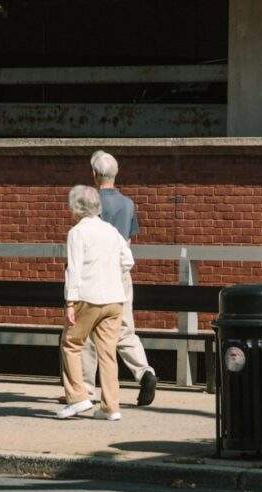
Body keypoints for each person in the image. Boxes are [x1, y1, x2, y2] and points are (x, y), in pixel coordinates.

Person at [80, 150, 159, 406]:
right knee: (125, 328)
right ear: (116, 174)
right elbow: (128, 240)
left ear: (94, 175)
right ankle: (144, 371)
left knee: (90, 330)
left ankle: (86, 389)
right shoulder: (128, 204)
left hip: (96, 274)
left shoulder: (90, 203)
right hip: (121, 273)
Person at [57, 185, 134, 421]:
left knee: (71, 343)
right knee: (108, 353)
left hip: (87, 298)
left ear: (76, 208)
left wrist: (70, 302)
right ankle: (111, 407)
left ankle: (78, 397)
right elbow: (128, 261)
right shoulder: (111, 231)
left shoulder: (77, 232)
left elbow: (74, 269)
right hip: (114, 299)